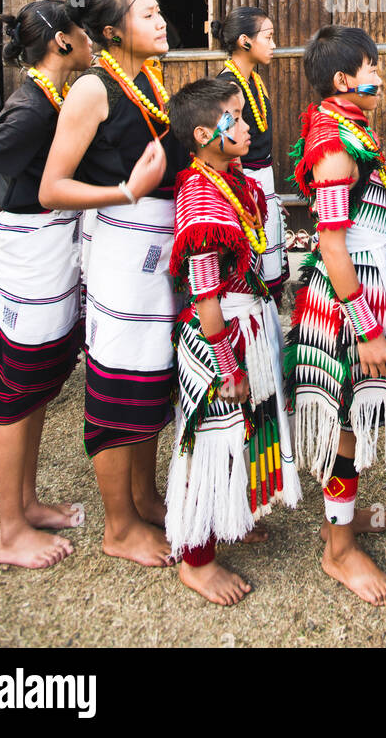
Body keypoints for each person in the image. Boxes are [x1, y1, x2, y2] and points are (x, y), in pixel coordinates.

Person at [39, 0, 188, 568]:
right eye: (147, 13)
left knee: (150, 375)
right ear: (110, 32)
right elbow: (52, 188)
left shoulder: (148, 79)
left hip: (157, 254)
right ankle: (118, 525)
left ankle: (146, 497)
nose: (160, 21)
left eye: (158, 10)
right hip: (122, 256)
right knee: (119, 384)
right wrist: (127, 191)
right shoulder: (91, 91)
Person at [0, 1, 93, 568]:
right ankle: (7, 530)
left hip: (49, 253)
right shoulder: (30, 109)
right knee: (14, 393)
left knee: (36, 387)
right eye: (82, 32)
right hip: (29, 255)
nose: (90, 41)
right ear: (60, 41)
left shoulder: (49, 95)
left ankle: (27, 503)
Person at [286, 25, 386, 606]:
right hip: (351, 304)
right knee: (347, 422)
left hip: (363, 288)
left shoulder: (347, 129)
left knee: (356, 417)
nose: (381, 76)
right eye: (371, 66)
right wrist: (366, 329)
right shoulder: (335, 145)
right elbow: (334, 244)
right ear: (343, 80)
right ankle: (338, 549)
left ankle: (343, 518)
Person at [164, 77, 301, 605]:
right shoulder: (202, 200)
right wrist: (226, 367)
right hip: (221, 336)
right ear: (203, 132)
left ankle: (231, 515)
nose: (246, 127)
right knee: (214, 440)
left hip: (246, 323)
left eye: (244, 116)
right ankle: (197, 560)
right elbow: (204, 297)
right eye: (235, 119)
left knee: (246, 432)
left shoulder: (229, 178)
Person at [212, 7, 289, 306]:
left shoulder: (254, 81)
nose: (273, 45)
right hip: (246, 183)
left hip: (262, 179)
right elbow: (223, 140)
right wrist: (243, 194)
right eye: (267, 37)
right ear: (245, 41)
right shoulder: (229, 85)